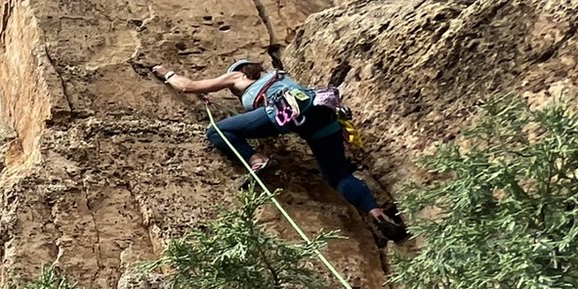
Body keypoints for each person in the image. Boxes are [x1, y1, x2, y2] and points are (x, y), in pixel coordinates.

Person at [151, 58, 406, 242]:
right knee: (338, 176)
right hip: (320, 113)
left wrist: (167, 73)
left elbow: (189, 86)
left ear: (241, 72)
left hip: (285, 111)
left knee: (216, 131)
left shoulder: (238, 76)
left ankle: (257, 159)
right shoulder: (279, 75)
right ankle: (377, 213)